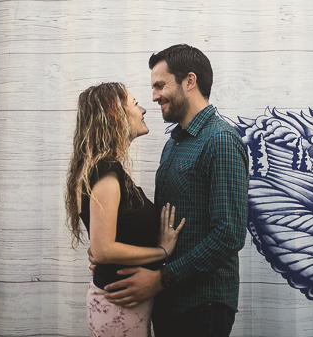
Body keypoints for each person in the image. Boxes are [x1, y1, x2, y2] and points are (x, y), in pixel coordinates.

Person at [101, 45, 249, 337]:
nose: (154, 96)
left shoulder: (221, 140)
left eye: (160, 85)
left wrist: (162, 278)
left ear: (189, 81)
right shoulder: (174, 143)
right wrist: (108, 248)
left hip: (203, 304)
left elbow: (228, 235)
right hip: (167, 301)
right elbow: (166, 219)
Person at [65, 82, 186, 337]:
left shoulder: (105, 169)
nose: (142, 109)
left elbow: (104, 242)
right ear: (115, 115)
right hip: (117, 305)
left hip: (123, 304)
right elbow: (103, 249)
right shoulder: (106, 170)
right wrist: (162, 252)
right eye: (134, 103)